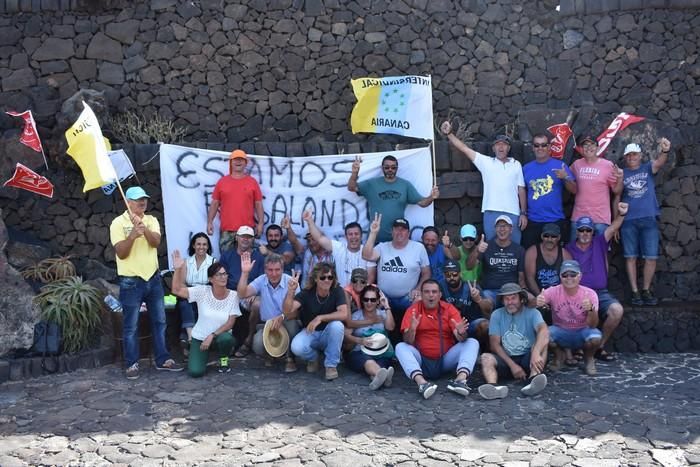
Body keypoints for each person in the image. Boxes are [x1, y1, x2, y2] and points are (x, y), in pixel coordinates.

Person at [110, 186, 183, 379]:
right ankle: (132, 363)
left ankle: (163, 359)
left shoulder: (151, 220)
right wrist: (133, 235)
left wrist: (144, 229)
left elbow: (156, 242)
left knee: (160, 321)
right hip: (130, 281)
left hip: (153, 278)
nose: (143, 202)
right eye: (138, 199)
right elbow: (121, 253)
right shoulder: (117, 223)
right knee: (131, 325)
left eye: (145, 199)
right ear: (128, 202)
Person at [441, 121, 527, 243]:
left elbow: (521, 189)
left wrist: (523, 213)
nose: (501, 147)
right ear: (493, 148)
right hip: (491, 211)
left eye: (504, 144)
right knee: (491, 246)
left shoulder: (516, 164)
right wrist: (449, 133)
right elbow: (464, 149)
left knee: (515, 246)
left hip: (513, 212)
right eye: (498, 144)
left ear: (508, 148)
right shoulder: (486, 162)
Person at [395, 280, 480, 399]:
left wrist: (461, 333)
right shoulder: (413, 310)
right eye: (427, 292)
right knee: (400, 347)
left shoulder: (449, 309)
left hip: (444, 360)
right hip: (421, 361)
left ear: (440, 295)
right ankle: (422, 383)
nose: (431, 295)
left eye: (434, 292)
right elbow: (407, 341)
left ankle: (460, 380)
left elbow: (461, 339)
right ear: (422, 294)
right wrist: (413, 329)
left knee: (472, 342)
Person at [566, 203, 628, 361]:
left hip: (601, 293)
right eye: (581, 230)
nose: (585, 233)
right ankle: (581, 347)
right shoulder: (568, 249)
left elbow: (613, 228)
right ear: (577, 231)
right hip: (580, 293)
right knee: (582, 312)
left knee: (617, 311)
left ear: (593, 232)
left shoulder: (600, 242)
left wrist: (621, 214)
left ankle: (599, 346)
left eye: (588, 230)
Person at [362, 214, 431, 343]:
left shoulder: (418, 248)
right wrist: (373, 233)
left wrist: (418, 288)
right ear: (392, 231)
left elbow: (426, 273)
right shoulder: (382, 247)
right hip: (384, 296)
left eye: (403, 229)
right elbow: (366, 255)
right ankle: (380, 345)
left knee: (420, 300)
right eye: (397, 229)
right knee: (370, 299)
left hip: (408, 296)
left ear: (408, 232)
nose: (400, 232)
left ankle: (414, 342)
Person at [171, 251, 239, 377]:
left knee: (227, 339)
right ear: (210, 279)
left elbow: (230, 323)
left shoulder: (233, 295)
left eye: (224, 274)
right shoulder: (202, 291)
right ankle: (204, 356)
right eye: (219, 275)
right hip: (200, 337)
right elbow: (176, 290)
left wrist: (212, 335)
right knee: (195, 372)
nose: (223, 277)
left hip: (219, 336)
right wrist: (178, 269)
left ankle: (223, 358)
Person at [620, 138, 670, 306]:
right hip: (628, 220)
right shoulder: (622, 173)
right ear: (625, 157)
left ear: (640, 155)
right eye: (628, 155)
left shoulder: (647, 168)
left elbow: (660, 162)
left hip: (648, 218)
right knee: (630, 257)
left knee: (651, 257)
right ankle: (635, 291)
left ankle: (646, 290)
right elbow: (615, 194)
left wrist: (665, 150)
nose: (631, 157)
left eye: (634, 154)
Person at [478, 283, 549, 400]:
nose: (510, 302)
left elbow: (544, 331)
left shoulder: (533, 313)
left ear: (521, 299)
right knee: (486, 357)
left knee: (543, 343)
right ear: (502, 300)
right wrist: (513, 366)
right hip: (507, 359)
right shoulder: (497, 315)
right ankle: (493, 387)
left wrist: (535, 352)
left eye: (513, 298)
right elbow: (494, 344)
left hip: (529, 359)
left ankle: (533, 379)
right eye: (506, 299)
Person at [347, 154, 439, 242]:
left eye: (393, 167)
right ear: (382, 168)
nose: (390, 169)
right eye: (387, 167)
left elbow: (422, 203)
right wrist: (354, 173)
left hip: (398, 240)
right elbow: (352, 187)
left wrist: (432, 197)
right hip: (375, 239)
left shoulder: (405, 185)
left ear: (397, 169)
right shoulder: (372, 184)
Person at [237, 252, 301, 373]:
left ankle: (290, 357)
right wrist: (245, 273)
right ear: (265, 270)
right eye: (270, 270)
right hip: (268, 324)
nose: (274, 274)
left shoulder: (291, 281)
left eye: (277, 270)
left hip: (286, 320)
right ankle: (271, 353)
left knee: (293, 327)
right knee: (257, 345)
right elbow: (242, 294)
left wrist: (282, 317)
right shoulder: (261, 280)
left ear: (282, 269)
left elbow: (296, 312)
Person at [283, 263, 348, 380]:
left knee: (337, 326)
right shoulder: (307, 293)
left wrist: (320, 318)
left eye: (330, 277)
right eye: (323, 277)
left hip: (328, 333)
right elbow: (288, 311)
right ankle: (313, 358)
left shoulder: (337, 290)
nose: (327, 280)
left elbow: (343, 313)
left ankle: (331, 366)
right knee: (296, 347)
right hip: (310, 332)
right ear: (315, 279)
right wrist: (291, 291)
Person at [536, 260, 602, 376]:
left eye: (573, 274)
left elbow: (593, 325)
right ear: (560, 277)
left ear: (580, 276)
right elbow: (532, 303)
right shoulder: (553, 291)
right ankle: (559, 355)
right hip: (560, 330)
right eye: (565, 275)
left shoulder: (590, 294)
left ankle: (589, 359)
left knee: (595, 337)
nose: (569, 278)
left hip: (582, 331)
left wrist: (590, 309)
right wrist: (537, 301)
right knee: (544, 334)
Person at [521, 134, 577, 249]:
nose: (540, 148)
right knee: (530, 255)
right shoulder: (526, 169)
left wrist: (565, 177)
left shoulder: (560, 166)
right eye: (536, 145)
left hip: (555, 220)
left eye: (543, 145)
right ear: (532, 147)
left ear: (549, 147)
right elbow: (521, 193)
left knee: (556, 257)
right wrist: (523, 214)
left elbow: (574, 190)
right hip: (532, 220)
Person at [219, 225, 264, 358]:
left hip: (250, 293)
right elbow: (221, 277)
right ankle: (227, 343)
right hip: (231, 292)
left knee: (257, 305)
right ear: (237, 238)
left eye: (249, 237)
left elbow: (263, 279)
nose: (246, 239)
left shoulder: (259, 257)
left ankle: (248, 341)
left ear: (253, 240)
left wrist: (254, 293)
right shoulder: (227, 256)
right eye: (243, 236)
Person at [469, 215, 530, 314]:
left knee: (530, 300)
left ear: (511, 229)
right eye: (499, 226)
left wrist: (523, 292)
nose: (502, 229)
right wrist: (477, 250)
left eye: (505, 226)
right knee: (485, 303)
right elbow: (470, 266)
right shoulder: (486, 246)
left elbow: (521, 277)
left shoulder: (519, 250)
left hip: (512, 291)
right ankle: (489, 327)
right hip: (491, 290)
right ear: (495, 229)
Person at [207, 149, 264, 252]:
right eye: (235, 159)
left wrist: (260, 224)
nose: (238, 162)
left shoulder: (252, 182)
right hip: (226, 231)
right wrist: (210, 222)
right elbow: (215, 203)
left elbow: (258, 204)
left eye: (241, 159)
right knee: (227, 263)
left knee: (247, 262)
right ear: (231, 162)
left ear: (245, 163)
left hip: (247, 232)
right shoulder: (222, 182)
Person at [569, 135, 623, 242]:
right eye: (585, 145)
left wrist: (620, 178)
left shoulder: (607, 165)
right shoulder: (576, 165)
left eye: (592, 145)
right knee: (573, 252)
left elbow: (616, 191)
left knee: (600, 253)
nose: (589, 147)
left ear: (598, 148)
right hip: (578, 217)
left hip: (600, 219)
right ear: (581, 149)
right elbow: (566, 177)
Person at [344, 285, 396, 390]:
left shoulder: (382, 314)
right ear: (362, 301)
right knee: (369, 362)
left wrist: (386, 306)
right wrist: (359, 340)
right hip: (359, 352)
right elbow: (345, 336)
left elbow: (390, 327)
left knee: (379, 365)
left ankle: (377, 377)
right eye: (366, 299)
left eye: (373, 300)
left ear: (378, 301)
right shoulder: (356, 316)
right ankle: (384, 376)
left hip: (381, 353)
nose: (369, 303)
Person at [303, 210, 375, 287]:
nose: (353, 237)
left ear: (361, 236)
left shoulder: (367, 251)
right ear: (346, 237)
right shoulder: (338, 247)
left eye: (356, 234)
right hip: (341, 295)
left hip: (361, 294)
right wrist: (309, 221)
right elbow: (319, 238)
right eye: (350, 234)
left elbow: (371, 278)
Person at [177, 232, 216, 350]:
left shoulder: (213, 261)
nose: (201, 247)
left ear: (208, 246)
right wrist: (191, 293)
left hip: (207, 293)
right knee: (184, 303)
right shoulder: (186, 262)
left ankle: (190, 338)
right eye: (198, 244)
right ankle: (190, 337)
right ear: (193, 246)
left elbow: (215, 283)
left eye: (204, 244)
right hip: (189, 292)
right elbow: (182, 283)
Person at [439, 260, 491, 347]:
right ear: (444, 276)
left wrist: (479, 299)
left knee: (485, 325)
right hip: (449, 325)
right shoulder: (440, 287)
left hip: (470, 325)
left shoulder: (472, 287)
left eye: (455, 274)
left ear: (461, 274)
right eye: (448, 275)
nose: (452, 277)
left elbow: (489, 309)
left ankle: (483, 350)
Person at [524, 223, 573, 298]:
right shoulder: (532, 252)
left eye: (553, 236)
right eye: (546, 236)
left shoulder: (565, 255)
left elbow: (569, 279)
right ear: (542, 236)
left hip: (559, 297)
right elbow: (530, 278)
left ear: (559, 237)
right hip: (537, 295)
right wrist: (540, 297)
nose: (549, 239)